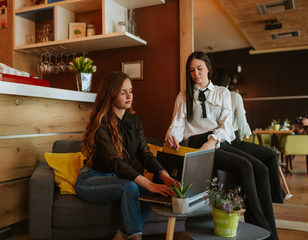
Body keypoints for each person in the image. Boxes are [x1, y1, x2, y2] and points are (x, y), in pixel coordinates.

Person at [165, 51, 278, 240]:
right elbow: (177, 124)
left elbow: (226, 124)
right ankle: (261, 229)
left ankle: (270, 231)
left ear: (208, 68)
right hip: (197, 146)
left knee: (261, 168)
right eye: (192, 70)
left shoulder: (222, 92)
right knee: (246, 166)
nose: (196, 74)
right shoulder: (184, 96)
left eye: (200, 69)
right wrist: (172, 137)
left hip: (217, 142)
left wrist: (213, 140)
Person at [75, 72, 178, 240]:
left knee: (156, 192)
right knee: (129, 187)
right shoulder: (100, 123)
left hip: (116, 179)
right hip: (90, 180)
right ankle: (135, 237)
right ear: (111, 93)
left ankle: (122, 235)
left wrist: (163, 175)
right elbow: (115, 162)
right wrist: (149, 183)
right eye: (123, 92)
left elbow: (146, 155)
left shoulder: (135, 122)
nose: (129, 96)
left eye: (130, 90)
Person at [212, 67, 285, 203]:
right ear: (227, 84)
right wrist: (248, 135)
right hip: (234, 141)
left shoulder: (210, 96)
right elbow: (242, 123)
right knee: (271, 155)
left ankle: (279, 194)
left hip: (218, 142)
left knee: (263, 157)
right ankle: (277, 199)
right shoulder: (233, 96)